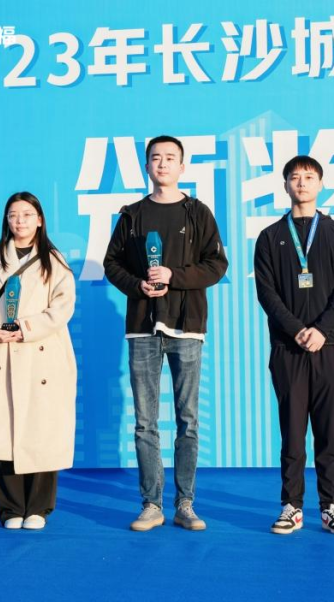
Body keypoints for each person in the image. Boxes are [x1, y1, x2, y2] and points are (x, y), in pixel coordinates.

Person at [103, 135, 228, 532]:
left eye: (170, 158)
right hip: (142, 328)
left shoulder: (197, 212)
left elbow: (217, 264)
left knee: (187, 419)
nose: (162, 164)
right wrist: (137, 285)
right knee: (145, 422)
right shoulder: (132, 214)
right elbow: (111, 263)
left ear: (182, 166)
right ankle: (151, 504)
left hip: (186, 326)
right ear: (146, 166)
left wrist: (174, 276)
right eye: (156, 158)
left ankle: (185, 503)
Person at [254, 155, 334, 536]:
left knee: (329, 433)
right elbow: (267, 292)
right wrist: (297, 330)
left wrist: (322, 330)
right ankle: (291, 506)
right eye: (294, 177)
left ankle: (331, 506)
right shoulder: (270, 236)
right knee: (293, 433)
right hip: (288, 348)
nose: (301, 183)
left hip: (329, 347)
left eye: (309, 177)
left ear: (321, 184)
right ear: (285, 185)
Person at [0, 192, 77, 531]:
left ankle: (39, 507)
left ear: (40, 220)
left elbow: (63, 307)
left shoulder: (54, 261)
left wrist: (26, 329)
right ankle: (10, 508)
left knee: (42, 431)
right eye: (14, 215)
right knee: (2, 432)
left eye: (27, 214)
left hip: (41, 353)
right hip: (1, 351)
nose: (20, 221)